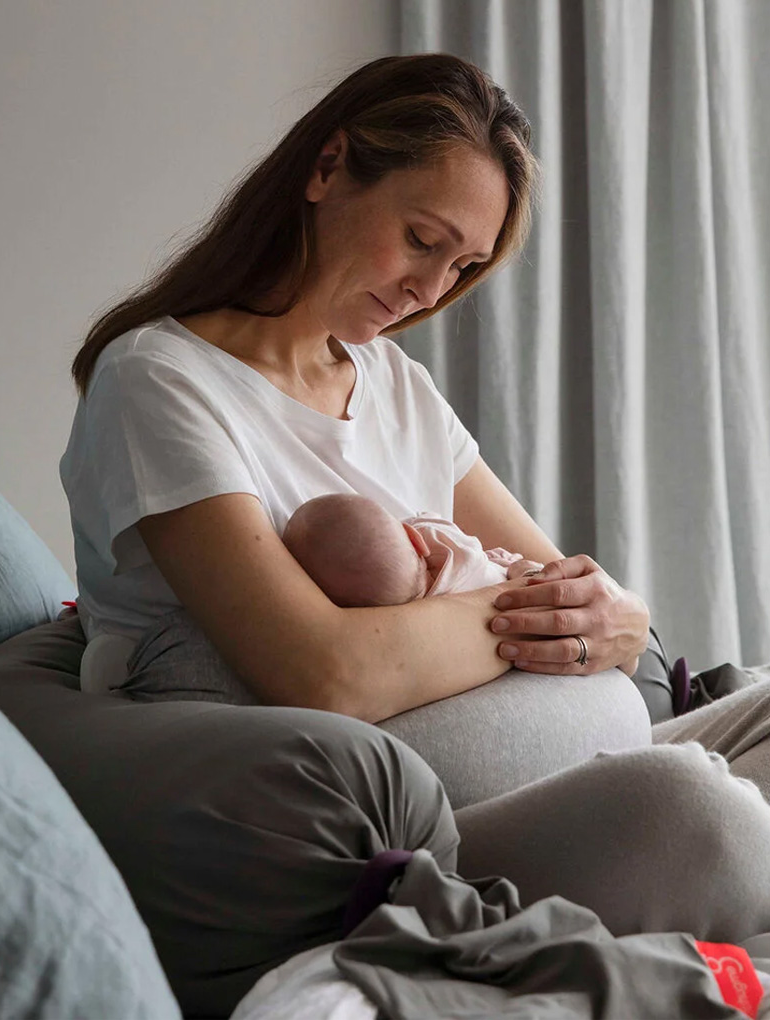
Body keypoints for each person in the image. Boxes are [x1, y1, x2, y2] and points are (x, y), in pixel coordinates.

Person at [59, 52, 770, 1014]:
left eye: (463, 265)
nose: (430, 290)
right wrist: (530, 613)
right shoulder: (161, 380)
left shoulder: (391, 380)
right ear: (327, 170)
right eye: (419, 239)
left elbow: (581, 596)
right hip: (421, 843)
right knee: (699, 816)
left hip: (580, 758)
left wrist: (622, 613)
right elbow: (323, 674)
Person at [281, 491, 545, 609]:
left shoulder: (421, 623)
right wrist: (514, 567)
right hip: (518, 587)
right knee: (533, 576)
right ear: (414, 537)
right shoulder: (440, 538)